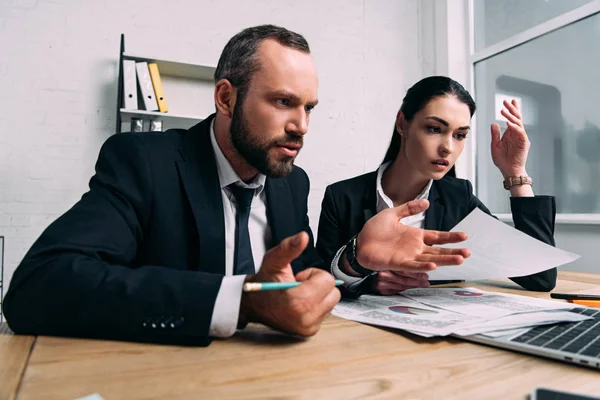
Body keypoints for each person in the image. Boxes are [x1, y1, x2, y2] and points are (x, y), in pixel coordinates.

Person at [3, 27, 468, 346]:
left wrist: (351, 259)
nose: (301, 126)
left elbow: (298, 276)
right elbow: (39, 287)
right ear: (226, 97)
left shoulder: (292, 183)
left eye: (309, 108)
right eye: (283, 102)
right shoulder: (146, 163)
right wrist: (243, 302)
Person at [317, 76, 557, 296]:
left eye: (459, 135)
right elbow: (318, 280)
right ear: (402, 123)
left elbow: (541, 277)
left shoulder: (458, 198)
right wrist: (365, 281)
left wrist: (516, 173)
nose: (448, 148)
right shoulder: (342, 197)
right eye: (434, 129)